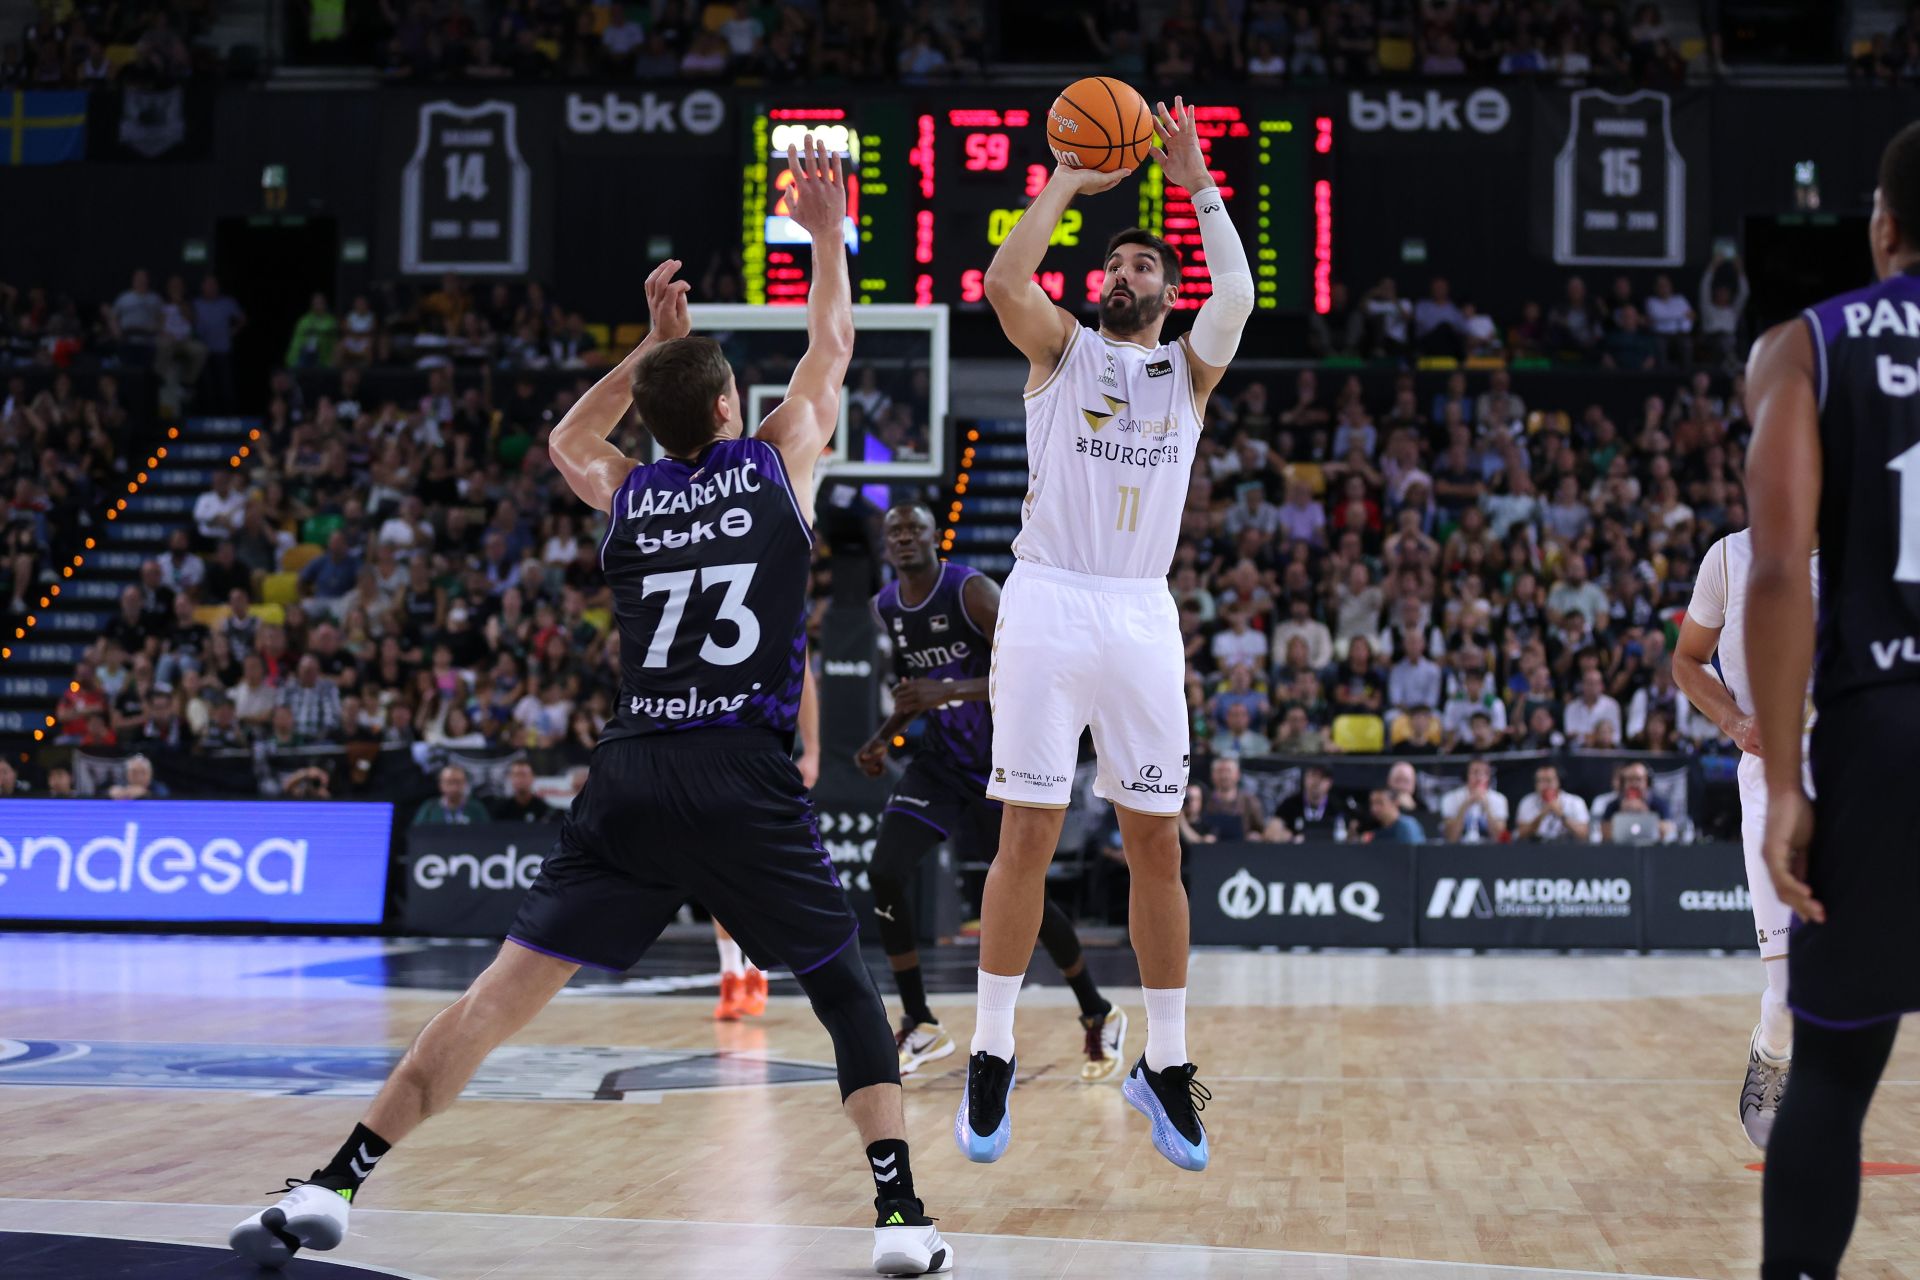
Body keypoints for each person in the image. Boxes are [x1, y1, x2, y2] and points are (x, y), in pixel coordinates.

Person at [231, 142, 952, 1277]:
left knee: (492, 1000)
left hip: (630, 775)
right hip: (737, 770)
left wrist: (646, 346)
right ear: (727, 404)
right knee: (845, 989)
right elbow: (835, 348)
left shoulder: (624, 491)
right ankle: (902, 1216)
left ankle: (335, 1181)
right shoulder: (775, 464)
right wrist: (822, 235)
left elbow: (570, 438)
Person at [960, 96, 1248, 1173]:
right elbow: (1001, 282)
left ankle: (1163, 1064)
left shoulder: (1192, 372)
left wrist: (1197, 183)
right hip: (1048, 598)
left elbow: (1244, 292)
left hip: (1137, 610)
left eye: (1143, 269)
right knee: (1025, 831)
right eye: (1115, 266)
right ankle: (990, 1048)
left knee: (1156, 842)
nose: (1124, 275)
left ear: (1168, 298)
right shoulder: (1063, 351)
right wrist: (1071, 180)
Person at [1743, 122, 1920, 1280]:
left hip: (1884, 727)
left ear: (1883, 223)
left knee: (1838, 1068)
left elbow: (1775, 567)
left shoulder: (1808, 345)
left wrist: (1792, 781)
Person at [856, 503, 1121, 1079]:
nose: (904, 538)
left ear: (934, 538)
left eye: (914, 530)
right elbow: (916, 693)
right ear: (886, 544)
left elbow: (1028, 665)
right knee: (884, 871)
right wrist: (882, 738)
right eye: (894, 531)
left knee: (1026, 900)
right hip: (941, 763)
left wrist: (945, 692)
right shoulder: (886, 607)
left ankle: (1097, 1012)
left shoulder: (971, 590)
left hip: (1003, 762)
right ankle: (920, 1021)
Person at [1673, 525, 1816, 1147]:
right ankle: (1772, 1052)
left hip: (1860, 769)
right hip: (1770, 772)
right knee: (1789, 988)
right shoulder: (1728, 557)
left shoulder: (1873, 547)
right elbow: (1686, 659)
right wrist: (1732, 719)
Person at [1512, 765, 1591, 842]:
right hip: (1535, 847)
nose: (1545, 785)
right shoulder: (1527, 802)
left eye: (1549, 780)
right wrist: (1542, 814)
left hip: (1567, 847)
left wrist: (1561, 814)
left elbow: (1583, 835)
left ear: (1559, 782)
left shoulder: (1575, 802)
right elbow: (1521, 835)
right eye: (1540, 781)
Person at [1439, 758, 1509, 842]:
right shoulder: (1450, 798)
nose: (1480, 778)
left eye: (1485, 773)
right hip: (1458, 850)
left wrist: (1487, 807)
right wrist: (1465, 805)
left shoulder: (1499, 799)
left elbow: (1500, 838)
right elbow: (1451, 838)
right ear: (1466, 775)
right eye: (1475, 772)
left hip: (1490, 851)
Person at [412, 764, 488, 825]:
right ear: (441, 784)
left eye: (458, 782)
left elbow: (488, 835)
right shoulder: (429, 808)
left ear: (465, 783)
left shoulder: (476, 808)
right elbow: (417, 834)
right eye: (449, 782)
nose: (454, 787)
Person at [487, 759, 556, 823]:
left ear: (532, 777)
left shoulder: (544, 811)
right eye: (516, 775)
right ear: (510, 778)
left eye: (524, 775)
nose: (520, 779)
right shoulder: (500, 810)